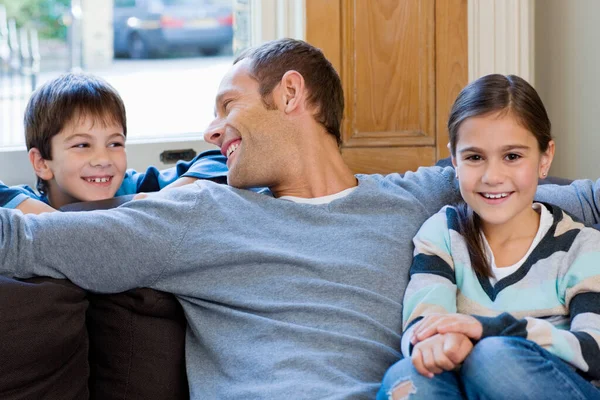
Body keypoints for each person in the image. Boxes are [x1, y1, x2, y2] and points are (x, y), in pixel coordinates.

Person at [0, 39, 599, 399]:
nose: (211, 131)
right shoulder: (198, 212)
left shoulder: (425, 198)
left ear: (291, 95)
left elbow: (580, 199)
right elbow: (23, 241)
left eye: (228, 105)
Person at [377, 74, 600, 400]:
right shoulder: (443, 233)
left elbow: (594, 352)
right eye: (474, 157)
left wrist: (487, 330)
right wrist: (437, 345)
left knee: (492, 358)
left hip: (557, 387)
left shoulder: (582, 246)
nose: (492, 177)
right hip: (464, 386)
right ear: (454, 159)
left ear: (545, 157)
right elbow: (423, 325)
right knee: (408, 374)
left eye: (512, 156)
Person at [0, 72, 228, 214]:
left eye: (114, 144)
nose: (103, 159)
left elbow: (219, 162)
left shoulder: (136, 189)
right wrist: (54, 219)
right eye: (82, 145)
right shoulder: (25, 205)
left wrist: (158, 201)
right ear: (41, 163)